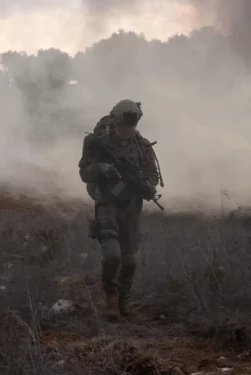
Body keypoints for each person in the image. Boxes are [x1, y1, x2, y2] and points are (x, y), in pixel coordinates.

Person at [78, 99, 161, 320]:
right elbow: (84, 173)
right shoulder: (97, 143)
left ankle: (125, 301)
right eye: (123, 126)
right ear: (115, 123)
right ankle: (111, 300)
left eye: (131, 127)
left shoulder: (142, 147)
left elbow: (154, 175)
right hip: (106, 204)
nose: (127, 131)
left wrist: (147, 185)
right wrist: (101, 168)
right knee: (112, 255)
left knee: (130, 260)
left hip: (131, 208)